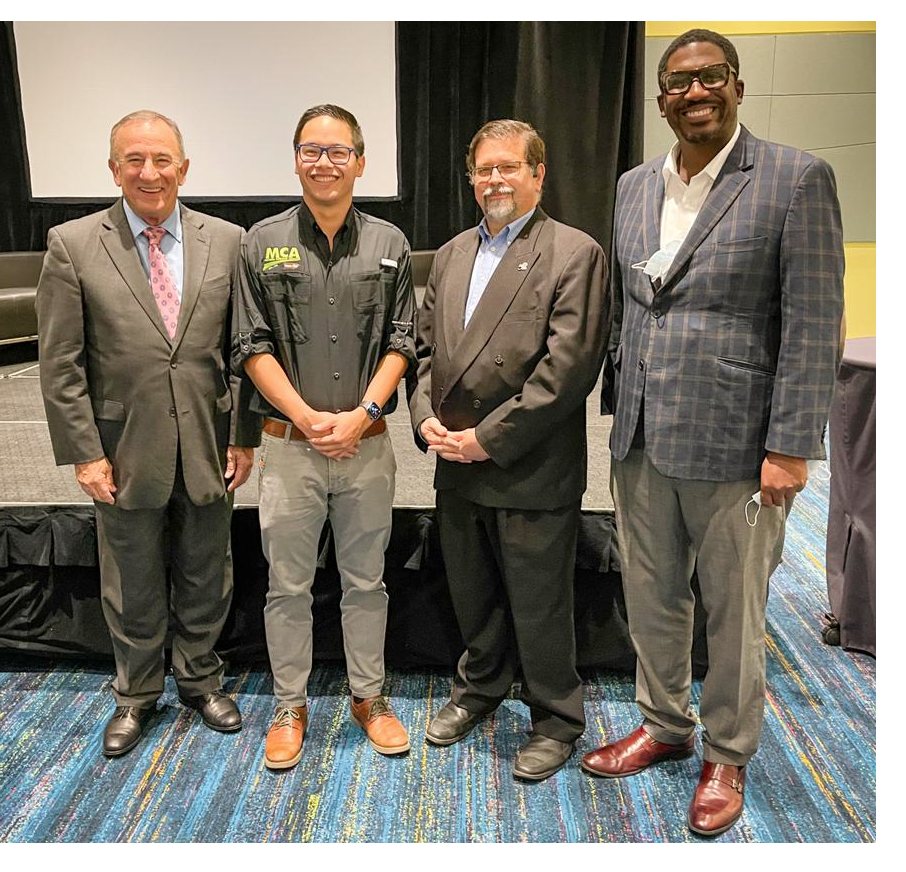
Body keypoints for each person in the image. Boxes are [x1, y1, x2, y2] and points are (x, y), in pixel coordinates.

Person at [581, 29, 844, 836]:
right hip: (642, 435)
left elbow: (814, 322)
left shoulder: (795, 178)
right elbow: (630, 306)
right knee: (651, 596)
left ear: (736, 86)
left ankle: (727, 752)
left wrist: (791, 445)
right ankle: (664, 723)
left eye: (711, 77)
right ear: (660, 98)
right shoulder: (633, 186)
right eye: (678, 82)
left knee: (734, 614)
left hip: (739, 442)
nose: (695, 92)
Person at [36, 110, 257, 757]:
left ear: (183, 168)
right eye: (134, 159)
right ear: (114, 169)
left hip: (210, 445)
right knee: (130, 579)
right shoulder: (73, 244)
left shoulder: (230, 242)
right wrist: (85, 454)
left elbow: (245, 351)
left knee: (207, 572)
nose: (149, 172)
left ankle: (201, 680)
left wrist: (244, 436)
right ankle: (135, 694)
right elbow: (61, 363)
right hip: (122, 449)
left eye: (162, 160)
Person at [409, 119, 607, 781]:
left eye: (508, 167)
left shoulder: (574, 253)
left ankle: (555, 718)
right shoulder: (450, 254)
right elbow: (424, 354)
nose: (494, 179)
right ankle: (479, 689)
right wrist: (425, 421)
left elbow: (567, 371)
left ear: (537, 175)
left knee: (540, 604)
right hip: (455, 461)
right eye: (484, 169)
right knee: (473, 594)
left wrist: (486, 440)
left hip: (529, 463)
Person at [233, 104, 416, 770]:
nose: (324, 162)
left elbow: (403, 341)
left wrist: (362, 414)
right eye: (311, 150)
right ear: (295, 161)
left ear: (360, 162)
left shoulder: (390, 244)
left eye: (338, 151)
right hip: (289, 448)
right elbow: (250, 345)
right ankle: (290, 704)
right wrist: (307, 419)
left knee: (367, 582)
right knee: (287, 586)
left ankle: (370, 697)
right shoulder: (261, 243)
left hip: (368, 445)